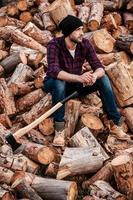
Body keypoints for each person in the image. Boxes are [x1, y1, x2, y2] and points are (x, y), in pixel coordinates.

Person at [43, 15, 130, 146]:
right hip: (54, 84)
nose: (82, 33)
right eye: (78, 29)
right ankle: (59, 130)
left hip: (75, 85)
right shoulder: (54, 45)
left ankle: (115, 124)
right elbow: (54, 71)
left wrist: (94, 76)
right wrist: (79, 77)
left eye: (82, 29)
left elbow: (99, 67)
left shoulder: (85, 44)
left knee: (103, 78)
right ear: (68, 32)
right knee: (59, 83)